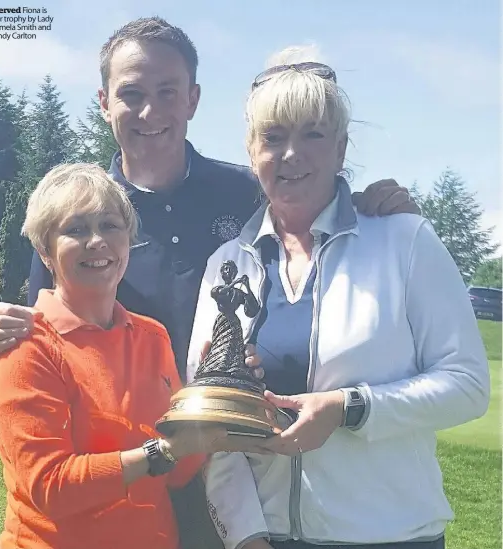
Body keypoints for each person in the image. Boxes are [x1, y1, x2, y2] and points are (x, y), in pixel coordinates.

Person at [0, 17, 420, 549]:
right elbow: (50, 342)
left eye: (167, 92)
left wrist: (371, 207)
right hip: (115, 483)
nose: (149, 112)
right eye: (131, 94)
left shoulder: (246, 191)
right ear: (103, 101)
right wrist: (0, 330)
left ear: (193, 98)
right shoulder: (83, 210)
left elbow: (313, 196)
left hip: (226, 465)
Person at [187, 47, 490, 549]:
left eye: (313, 134)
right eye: (274, 137)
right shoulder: (227, 263)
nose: (292, 154)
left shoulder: (405, 242)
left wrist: (351, 407)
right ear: (251, 150)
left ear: (342, 148)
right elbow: (209, 414)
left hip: (391, 536)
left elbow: (467, 384)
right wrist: (246, 537)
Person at [0, 163, 242, 549]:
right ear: (44, 250)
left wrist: (212, 402)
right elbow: (50, 486)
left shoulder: (152, 337)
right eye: (75, 229)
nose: (97, 241)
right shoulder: (25, 346)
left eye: (110, 225)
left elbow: (176, 472)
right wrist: (161, 452)